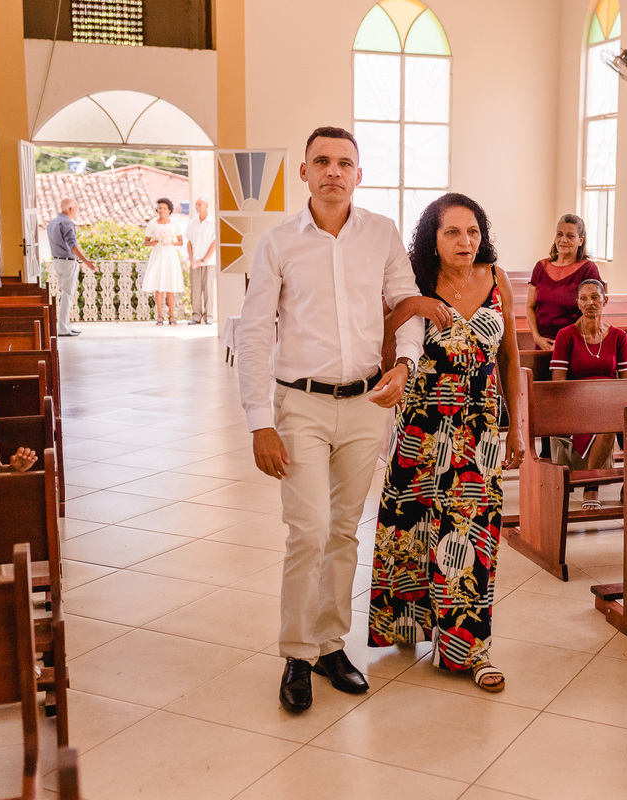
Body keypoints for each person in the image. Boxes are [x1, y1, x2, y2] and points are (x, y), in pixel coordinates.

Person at [236, 126, 424, 714]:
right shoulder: (278, 243)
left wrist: (406, 363)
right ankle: (296, 652)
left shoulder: (382, 233)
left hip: (367, 405)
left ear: (359, 174)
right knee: (310, 530)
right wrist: (258, 421)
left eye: (345, 162)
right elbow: (254, 331)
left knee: (343, 531)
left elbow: (406, 303)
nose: (333, 171)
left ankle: (329, 646)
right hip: (301, 405)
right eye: (322, 161)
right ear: (305, 172)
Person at [368, 193, 522, 693]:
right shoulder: (414, 281)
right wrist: (412, 306)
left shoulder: (496, 279)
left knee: (471, 537)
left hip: (480, 433)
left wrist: (518, 427)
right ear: (432, 238)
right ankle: (409, 626)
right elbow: (381, 345)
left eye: (472, 231)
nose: (465, 241)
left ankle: (470, 650)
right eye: (452, 231)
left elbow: (510, 358)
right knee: (411, 529)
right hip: (422, 426)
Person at [549, 278, 627, 510]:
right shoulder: (566, 335)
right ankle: (591, 486)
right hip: (578, 402)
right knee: (609, 426)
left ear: (605, 300)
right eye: (584, 298)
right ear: (577, 303)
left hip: (611, 400)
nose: (590, 303)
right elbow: (558, 383)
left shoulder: (619, 336)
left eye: (595, 297)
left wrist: (619, 401)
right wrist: (586, 400)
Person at [526, 214, 601, 351]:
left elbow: (592, 311)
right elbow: (530, 307)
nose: (563, 240)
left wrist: (563, 340)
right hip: (543, 345)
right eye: (559, 234)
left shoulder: (588, 269)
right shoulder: (541, 267)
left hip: (574, 344)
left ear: (580, 240)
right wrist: (537, 337)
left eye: (570, 236)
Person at [46, 198, 98, 337]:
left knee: (65, 294)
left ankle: (67, 325)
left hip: (57, 261)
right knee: (67, 295)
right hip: (67, 262)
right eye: (75, 209)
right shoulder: (67, 223)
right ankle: (63, 327)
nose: (75, 212)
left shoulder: (52, 223)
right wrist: (86, 261)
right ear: (71, 209)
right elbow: (73, 246)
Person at [141, 198, 185, 325]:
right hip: (158, 255)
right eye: (160, 208)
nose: (162, 210)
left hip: (170, 256)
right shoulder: (152, 224)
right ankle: (160, 316)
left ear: (169, 210)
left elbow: (180, 242)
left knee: (170, 286)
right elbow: (146, 242)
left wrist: (170, 241)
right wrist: (157, 241)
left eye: (165, 208)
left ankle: (172, 316)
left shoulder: (174, 224)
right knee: (159, 286)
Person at [186, 196, 217, 325]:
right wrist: (192, 260)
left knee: (208, 289)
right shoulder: (192, 222)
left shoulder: (213, 222)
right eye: (196, 204)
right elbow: (189, 243)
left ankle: (209, 316)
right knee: (195, 289)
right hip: (195, 263)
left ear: (206, 206)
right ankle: (196, 316)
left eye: (200, 204)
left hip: (209, 262)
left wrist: (203, 260)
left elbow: (214, 243)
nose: (197, 207)